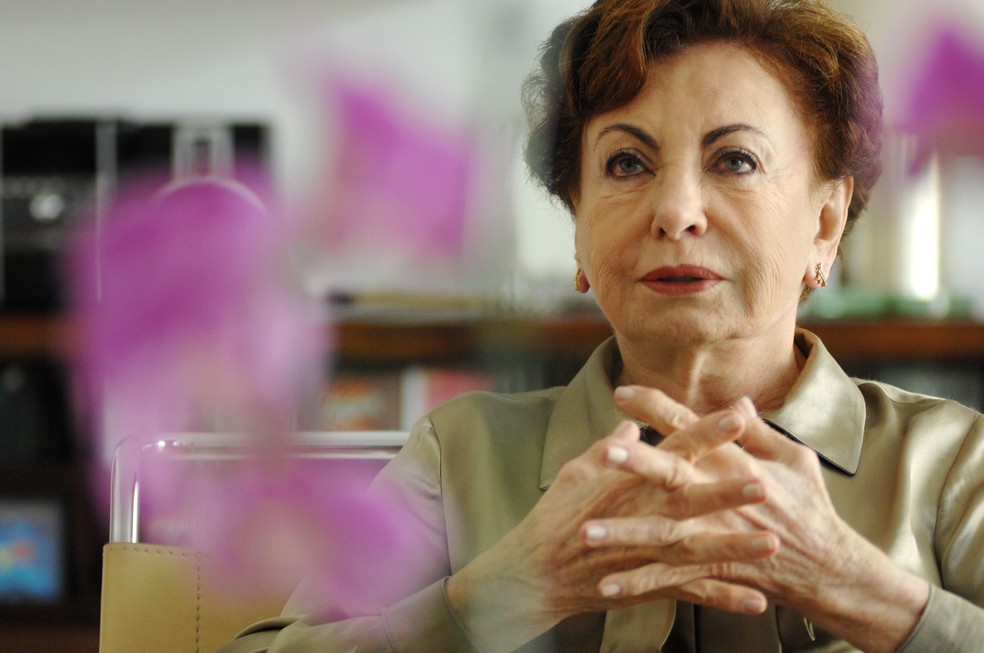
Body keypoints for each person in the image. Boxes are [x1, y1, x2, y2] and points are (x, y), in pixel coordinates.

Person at [220, 0, 984, 651]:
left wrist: (862, 589)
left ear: (825, 221)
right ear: (577, 226)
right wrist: (500, 592)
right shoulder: (460, 454)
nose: (676, 212)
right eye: (626, 164)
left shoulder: (951, 462)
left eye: (735, 160)